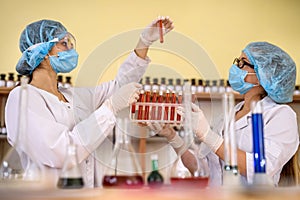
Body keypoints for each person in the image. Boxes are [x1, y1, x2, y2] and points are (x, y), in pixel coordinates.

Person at [5, 17, 174, 188]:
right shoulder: (22, 98)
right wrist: (110, 107)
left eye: (70, 43)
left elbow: (120, 87)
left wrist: (144, 42)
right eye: (63, 43)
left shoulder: (72, 95)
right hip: (49, 195)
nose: (70, 48)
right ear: (41, 51)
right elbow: (62, 152)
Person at [149, 42, 299, 186]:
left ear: (263, 75)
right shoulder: (228, 115)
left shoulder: (280, 116)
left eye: (242, 63)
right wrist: (171, 135)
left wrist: (209, 136)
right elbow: (200, 169)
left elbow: (261, 169)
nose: (236, 67)